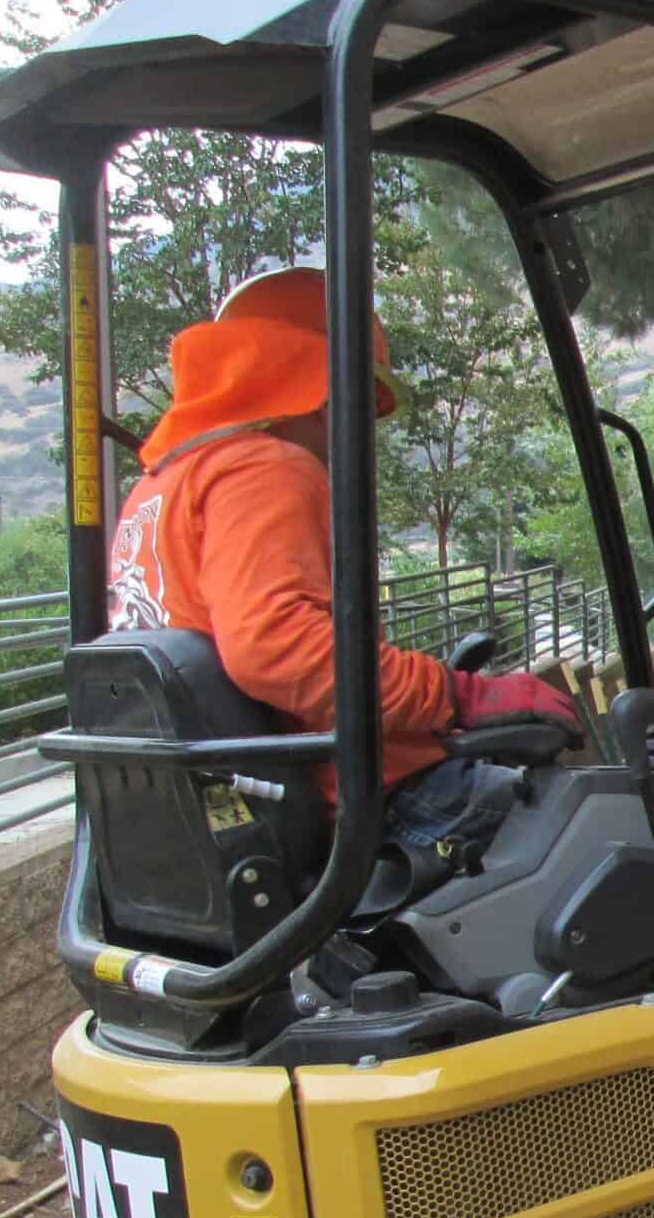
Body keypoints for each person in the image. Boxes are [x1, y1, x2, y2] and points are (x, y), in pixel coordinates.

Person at [109, 267, 579, 858]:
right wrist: (462, 696)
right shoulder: (265, 468)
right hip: (363, 804)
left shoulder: (162, 487)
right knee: (600, 827)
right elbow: (272, 646)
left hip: (231, 819)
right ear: (318, 382)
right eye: (355, 395)